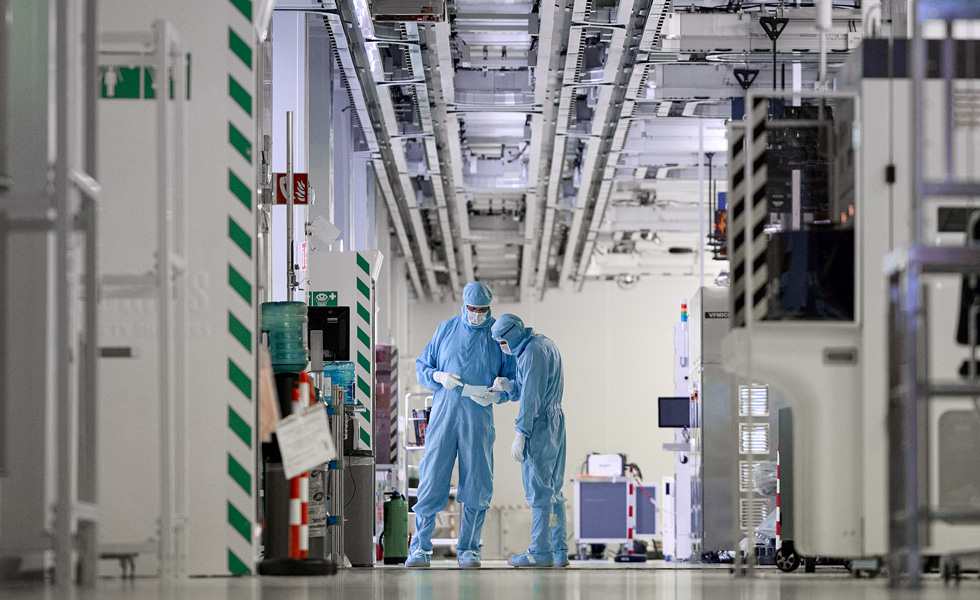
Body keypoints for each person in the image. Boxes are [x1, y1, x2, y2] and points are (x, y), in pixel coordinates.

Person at [408, 282, 517, 568]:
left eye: (483, 310)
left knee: (478, 482)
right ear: (464, 305)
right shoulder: (445, 329)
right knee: (431, 480)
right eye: (473, 309)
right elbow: (422, 366)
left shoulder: (497, 336)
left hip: (478, 417)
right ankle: (419, 548)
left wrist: (498, 392)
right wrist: (439, 375)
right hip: (444, 415)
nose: (477, 314)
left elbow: (512, 381)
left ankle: (469, 549)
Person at [490, 313, 568, 568]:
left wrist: (521, 434)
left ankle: (540, 551)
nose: (502, 346)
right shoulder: (543, 343)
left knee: (538, 493)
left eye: (502, 341)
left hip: (539, 426)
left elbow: (531, 399)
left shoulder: (531, 353)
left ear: (511, 333)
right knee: (553, 493)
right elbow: (533, 387)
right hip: (555, 422)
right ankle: (559, 550)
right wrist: (510, 386)